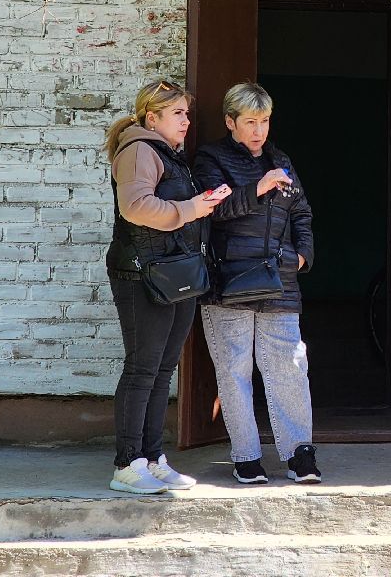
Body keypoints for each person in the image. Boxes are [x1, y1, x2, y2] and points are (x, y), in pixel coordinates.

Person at [193, 82, 320, 485]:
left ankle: (300, 453)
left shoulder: (280, 158)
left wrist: (302, 254)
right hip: (228, 280)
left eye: (264, 121)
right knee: (234, 371)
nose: (258, 130)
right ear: (231, 121)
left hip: (279, 280)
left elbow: (302, 211)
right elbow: (213, 209)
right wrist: (258, 187)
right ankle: (246, 456)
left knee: (290, 366)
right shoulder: (211, 157)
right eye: (249, 121)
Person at [105, 79, 227, 494]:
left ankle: (153, 459)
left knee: (161, 371)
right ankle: (127, 464)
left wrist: (201, 205)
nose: (186, 121)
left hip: (172, 275)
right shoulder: (139, 149)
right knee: (143, 369)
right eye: (177, 113)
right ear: (151, 117)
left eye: (187, 113)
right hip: (142, 275)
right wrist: (192, 208)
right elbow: (136, 207)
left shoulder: (170, 156)